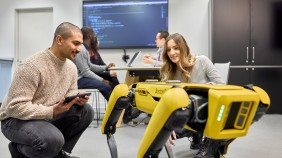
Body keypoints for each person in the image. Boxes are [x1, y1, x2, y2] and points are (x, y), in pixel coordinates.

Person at [0, 22, 94, 158]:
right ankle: (18, 148)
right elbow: (14, 108)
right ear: (60, 40)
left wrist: (76, 98)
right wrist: (51, 111)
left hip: (44, 114)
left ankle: (59, 154)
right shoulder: (32, 66)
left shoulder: (71, 68)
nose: (79, 49)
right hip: (14, 120)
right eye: (76, 43)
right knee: (52, 140)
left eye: (80, 44)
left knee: (86, 111)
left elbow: (69, 93)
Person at [160, 33, 225, 158]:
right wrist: (166, 125)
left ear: (183, 47)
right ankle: (196, 136)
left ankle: (210, 146)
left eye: (176, 48)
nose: (172, 53)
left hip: (208, 111)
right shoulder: (168, 71)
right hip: (187, 114)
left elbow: (222, 86)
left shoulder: (202, 61)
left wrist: (204, 89)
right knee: (165, 131)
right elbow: (167, 101)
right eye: (168, 50)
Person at [73, 27, 112, 101]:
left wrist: (105, 67)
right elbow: (85, 72)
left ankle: (120, 108)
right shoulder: (81, 50)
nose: (95, 37)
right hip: (78, 79)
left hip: (82, 77)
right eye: (94, 34)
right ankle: (118, 111)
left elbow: (90, 66)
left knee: (110, 82)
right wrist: (102, 80)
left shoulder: (85, 49)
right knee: (106, 87)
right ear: (90, 36)